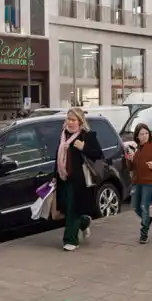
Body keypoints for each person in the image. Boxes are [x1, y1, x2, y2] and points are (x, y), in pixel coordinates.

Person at [53, 107, 104, 252]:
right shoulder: (63, 135)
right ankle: (84, 221)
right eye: (68, 119)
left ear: (80, 121)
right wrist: (54, 176)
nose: (69, 122)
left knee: (72, 209)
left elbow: (98, 154)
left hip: (80, 181)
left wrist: (84, 147)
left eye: (73, 120)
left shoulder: (86, 135)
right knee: (66, 208)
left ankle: (70, 240)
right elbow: (57, 157)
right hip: (63, 178)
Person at [127, 122, 152, 244]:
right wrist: (130, 159)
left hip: (148, 181)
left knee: (144, 206)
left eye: (146, 133)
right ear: (137, 136)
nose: (144, 136)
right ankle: (147, 220)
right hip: (136, 181)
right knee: (135, 206)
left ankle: (144, 233)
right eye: (142, 134)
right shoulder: (135, 148)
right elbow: (130, 167)